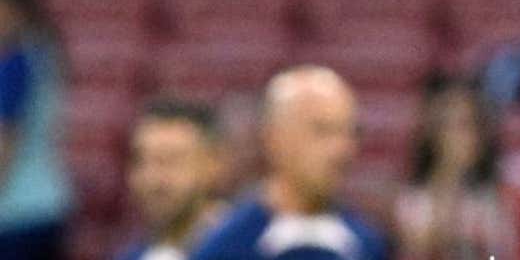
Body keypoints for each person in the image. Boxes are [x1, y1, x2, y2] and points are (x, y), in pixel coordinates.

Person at [189, 66, 388, 260]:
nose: (342, 149)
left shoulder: (367, 243)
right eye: (322, 131)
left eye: (350, 132)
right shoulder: (227, 246)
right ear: (273, 139)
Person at [395, 75, 520, 260]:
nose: (465, 135)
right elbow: (420, 246)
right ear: (434, 135)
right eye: (451, 125)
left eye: (470, 121)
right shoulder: (420, 197)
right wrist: (450, 175)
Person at [0, 0, 72, 260]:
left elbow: (5, 143)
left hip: (16, 212)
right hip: (49, 203)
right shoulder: (45, 52)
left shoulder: (16, 63)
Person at [116, 98, 226, 260]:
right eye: (140, 160)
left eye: (169, 160)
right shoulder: (131, 255)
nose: (151, 178)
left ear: (213, 165)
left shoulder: (249, 248)